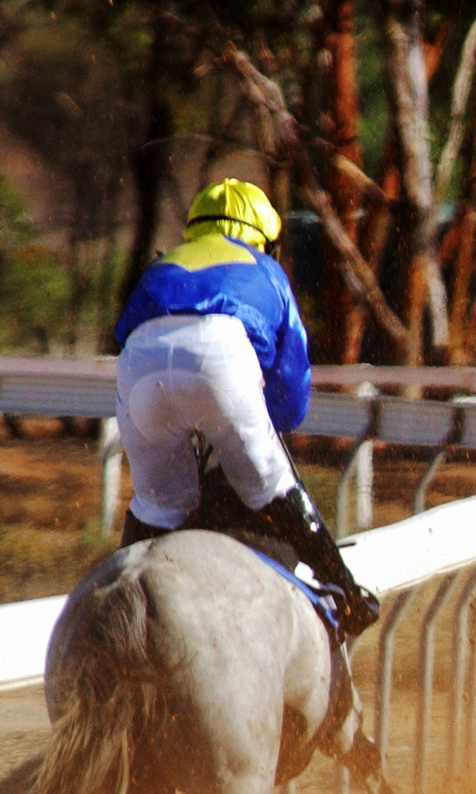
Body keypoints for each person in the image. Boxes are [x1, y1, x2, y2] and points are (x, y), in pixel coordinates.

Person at [112, 178, 379, 637]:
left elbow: (124, 337)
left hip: (140, 363)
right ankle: (347, 594)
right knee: (272, 484)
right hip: (219, 356)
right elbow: (291, 395)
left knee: (158, 505)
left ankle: (119, 608)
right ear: (263, 236)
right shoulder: (268, 272)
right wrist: (247, 434)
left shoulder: (160, 267)